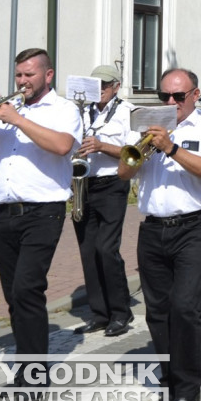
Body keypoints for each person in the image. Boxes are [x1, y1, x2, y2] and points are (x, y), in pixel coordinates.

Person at [0, 48, 81, 386]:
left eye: (29, 74)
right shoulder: (8, 112)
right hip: (3, 215)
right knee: (14, 294)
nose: (23, 81)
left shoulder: (62, 110)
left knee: (28, 288)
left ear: (48, 75)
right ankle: (30, 358)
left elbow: (61, 146)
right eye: (18, 75)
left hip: (43, 213)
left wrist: (16, 119)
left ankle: (32, 375)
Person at [117, 67, 201, 401]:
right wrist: (140, 148)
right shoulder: (145, 129)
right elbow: (123, 172)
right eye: (164, 95)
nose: (170, 102)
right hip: (152, 228)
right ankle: (167, 379)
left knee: (185, 307)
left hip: (194, 227)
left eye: (178, 97)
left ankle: (187, 387)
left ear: (195, 96)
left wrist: (171, 147)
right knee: (158, 311)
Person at [72, 64, 134, 337]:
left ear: (117, 86)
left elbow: (132, 152)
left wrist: (101, 146)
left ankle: (121, 312)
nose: (100, 91)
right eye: (96, 86)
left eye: (105, 86)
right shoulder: (81, 111)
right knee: (88, 250)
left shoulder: (127, 111)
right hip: (84, 183)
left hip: (112, 184)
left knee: (107, 249)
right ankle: (99, 313)